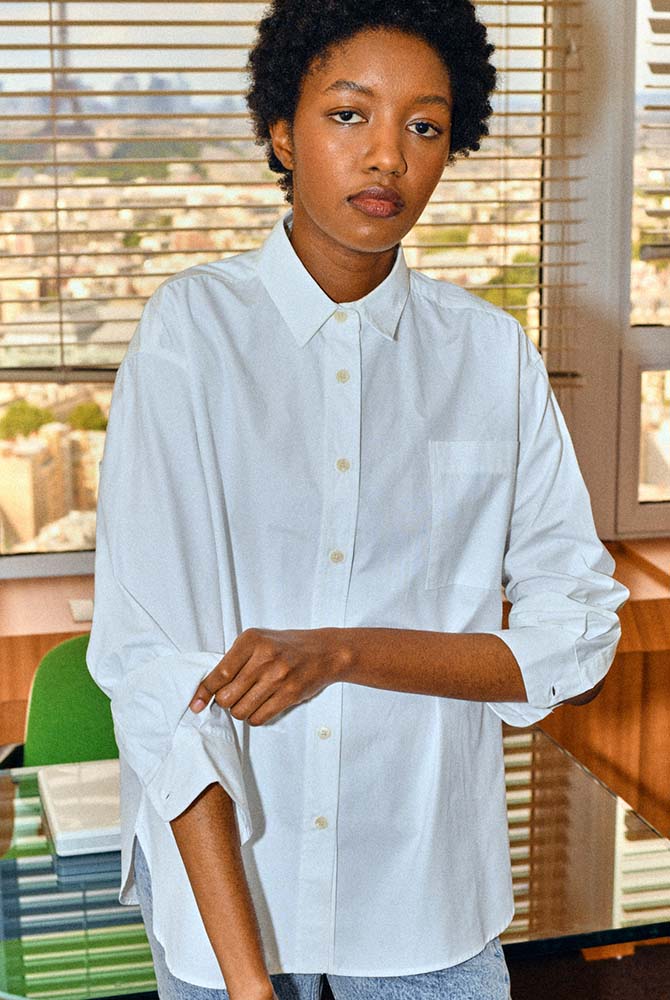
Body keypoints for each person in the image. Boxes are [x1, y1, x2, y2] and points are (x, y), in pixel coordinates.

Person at [86, 1, 631, 998]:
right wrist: (249, 984)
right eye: (349, 114)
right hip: (228, 912)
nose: (388, 155)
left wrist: (344, 650)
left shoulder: (490, 355)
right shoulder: (191, 336)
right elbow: (155, 672)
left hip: (426, 904)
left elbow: (579, 630)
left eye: (424, 125)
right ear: (281, 133)